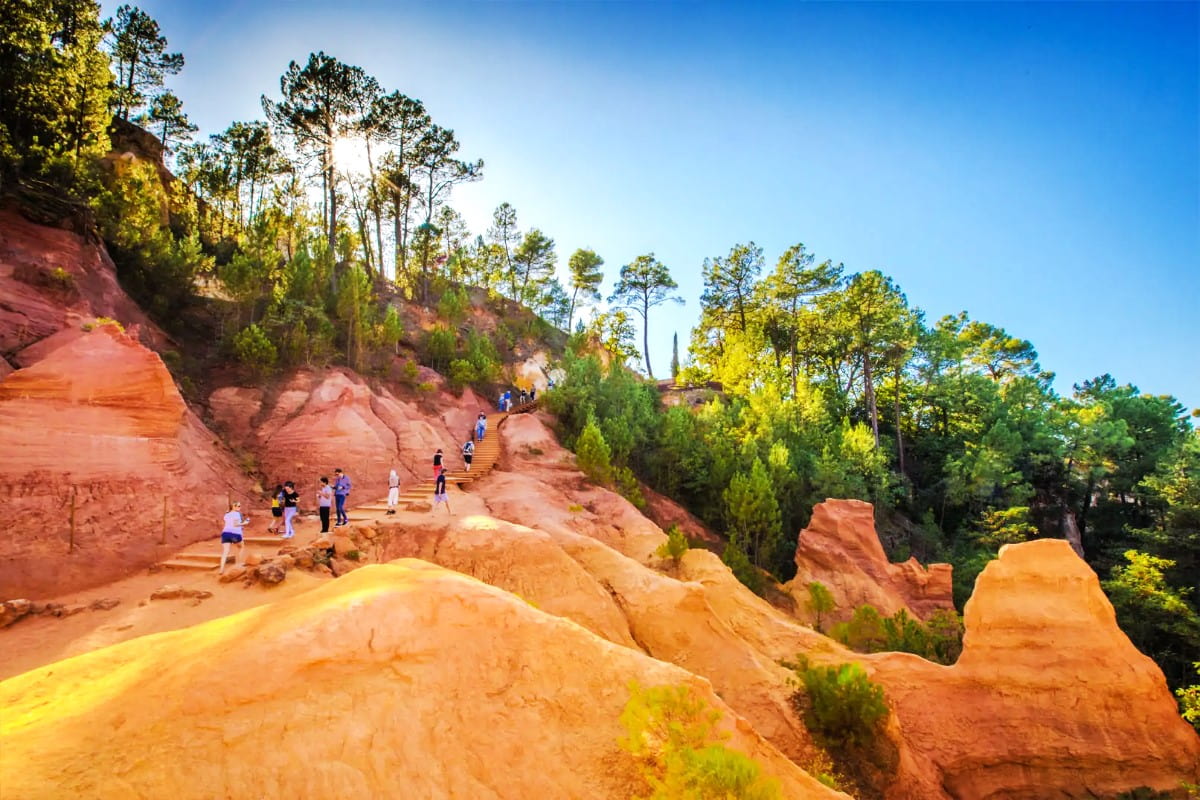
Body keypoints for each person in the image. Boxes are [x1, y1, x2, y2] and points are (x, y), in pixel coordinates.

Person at [219, 501, 249, 575]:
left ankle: (221, 568)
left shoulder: (226, 514)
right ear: (233, 507)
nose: (239, 507)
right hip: (235, 534)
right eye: (238, 506)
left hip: (225, 534)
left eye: (240, 506)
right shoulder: (237, 514)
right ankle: (239, 564)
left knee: (225, 551)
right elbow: (236, 524)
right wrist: (245, 523)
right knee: (241, 546)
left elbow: (227, 520)